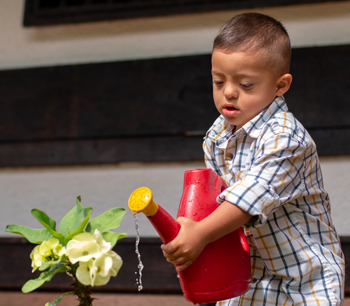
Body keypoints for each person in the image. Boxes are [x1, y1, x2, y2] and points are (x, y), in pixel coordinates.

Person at [161, 12, 345, 305]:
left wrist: (200, 234)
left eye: (246, 85)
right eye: (218, 81)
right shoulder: (217, 136)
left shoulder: (286, 137)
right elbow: (216, 202)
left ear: (280, 85)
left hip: (305, 279)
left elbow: (248, 201)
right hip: (249, 275)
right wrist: (192, 231)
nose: (229, 93)